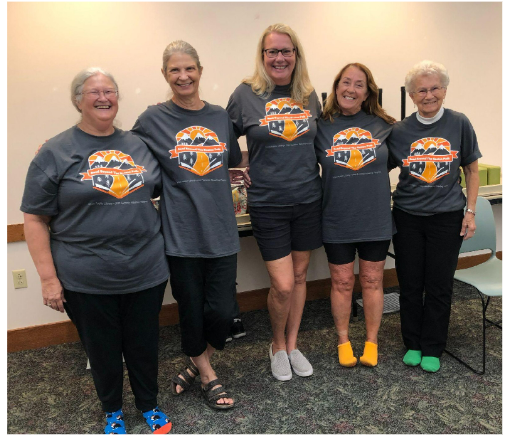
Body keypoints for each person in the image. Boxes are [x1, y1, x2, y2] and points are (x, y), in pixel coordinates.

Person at [21, 68, 172, 434]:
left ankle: (149, 405)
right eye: (93, 92)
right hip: (85, 275)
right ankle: (113, 411)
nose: (103, 98)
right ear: (77, 100)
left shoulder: (139, 144)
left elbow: (172, 179)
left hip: (144, 269)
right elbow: (35, 218)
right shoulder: (55, 151)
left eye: (110, 91)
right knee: (102, 350)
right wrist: (48, 280)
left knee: (143, 344)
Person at [132, 40, 248, 409]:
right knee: (191, 308)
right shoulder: (153, 119)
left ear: (200, 70)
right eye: (174, 70)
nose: (183, 76)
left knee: (222, 311)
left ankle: (196, 364)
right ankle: (210, 377)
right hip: (180, 235)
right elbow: (122, 150)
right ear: (165, 75)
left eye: (189, 69)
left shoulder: (219, 117)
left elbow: (232, 159)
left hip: (222, 231)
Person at [227, 23, 322, 381]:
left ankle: (293, 343)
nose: (280, 58)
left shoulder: (309, 95)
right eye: (272, 52)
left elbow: (318, 142)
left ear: (296, 55)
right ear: (263, 56)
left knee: (299, 277)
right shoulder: (245, 94)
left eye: (286, 51)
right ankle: (276, 344)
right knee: (282, 284)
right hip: (268, 202)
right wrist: (236, 166)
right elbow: (219, 138)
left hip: (308, 198)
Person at [388, 60, 480, 373]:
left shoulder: (459, 122)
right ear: (411, 96)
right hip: (407, 217)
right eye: (421, 90)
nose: (429, 95)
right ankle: (412, 342)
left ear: (444, 90)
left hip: (447, 216)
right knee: (410, 283)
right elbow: (376, 168)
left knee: (439, 284)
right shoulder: (399, 131)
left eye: (435, 88)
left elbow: (471, 169)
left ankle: (433, 346)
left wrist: (470, 211)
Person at [315, 63, 396, 368]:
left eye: (358, 84)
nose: (350, 89)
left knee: (374, 280)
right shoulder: (321, 126)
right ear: (336, 88)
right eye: (345, 82)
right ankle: (343, 340)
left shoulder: (385, 124)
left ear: (367, 92)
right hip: (336, 217)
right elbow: (296, 160)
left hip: (374, 217)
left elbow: (404, 159)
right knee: (342, 282)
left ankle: (372, 341)